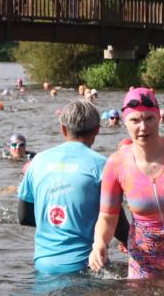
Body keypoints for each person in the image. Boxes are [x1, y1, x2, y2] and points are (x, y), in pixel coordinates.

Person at [90, 87, 164, 280]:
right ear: (125, 122)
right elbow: (107, 216)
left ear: (159, 118)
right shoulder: (116, 163)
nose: (143, 127)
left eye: (149, 118)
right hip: (142, 259)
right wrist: (99, 244)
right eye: (135, 120)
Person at [18, 100, 128, 275]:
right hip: (86, 267)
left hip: (43, 265)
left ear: (62, 129)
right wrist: (130, 243)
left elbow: (23, 217)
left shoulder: (37, 161)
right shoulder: (103, 165)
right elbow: (116, 220)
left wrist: (59, 225)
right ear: (97, 130)